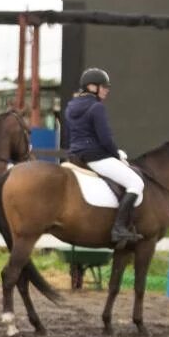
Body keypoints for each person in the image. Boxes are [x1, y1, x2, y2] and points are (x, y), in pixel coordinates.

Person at [65, 67, 144, 246]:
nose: (107, 90)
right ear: (92, 87)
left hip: (77, 155)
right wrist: (117, 155)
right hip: (96, 156)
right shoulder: (96, 107)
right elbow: (106, 139)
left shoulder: (71, 107)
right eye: (103, 86)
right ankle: (119, 228)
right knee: (136, 183)